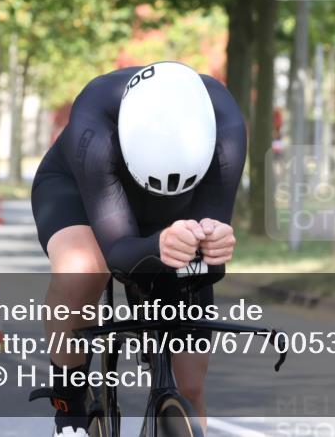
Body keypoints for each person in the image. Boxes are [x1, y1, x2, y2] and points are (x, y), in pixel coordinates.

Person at [31, 61, 246, 437]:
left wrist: (213, 245)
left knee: (191, 383)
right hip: (80, 190)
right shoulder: (96, 116)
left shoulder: (226, 124)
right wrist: (156, 247)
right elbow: (118, 252)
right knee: (84, 269)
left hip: (179, 211)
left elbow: (208, 263)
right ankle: (69, 413)